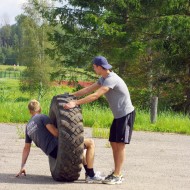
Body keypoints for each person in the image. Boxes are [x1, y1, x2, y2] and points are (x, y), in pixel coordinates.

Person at [64, 56, 135, 185]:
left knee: (120, 145)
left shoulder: (111, 79)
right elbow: (88, 90)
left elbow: (96, 95)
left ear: (99, 67)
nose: (93, 68)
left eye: (94, 66)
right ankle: (116, 172)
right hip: (118, 116)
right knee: (113, 143)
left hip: (126, 114)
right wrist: (71, 96)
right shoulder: (103, 78)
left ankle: (118, 175)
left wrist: (76, 103)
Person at [16, 99, 103, 183]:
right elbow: (55, 133)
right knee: (90, 143)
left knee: (81, 150)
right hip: (57, 146)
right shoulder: (42, 117)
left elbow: (26, 148)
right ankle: (91, 176)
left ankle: (89, 173)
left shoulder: (28, 127)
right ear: (40, 109)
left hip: (52, 153)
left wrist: (22, 166)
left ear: (29, 111)